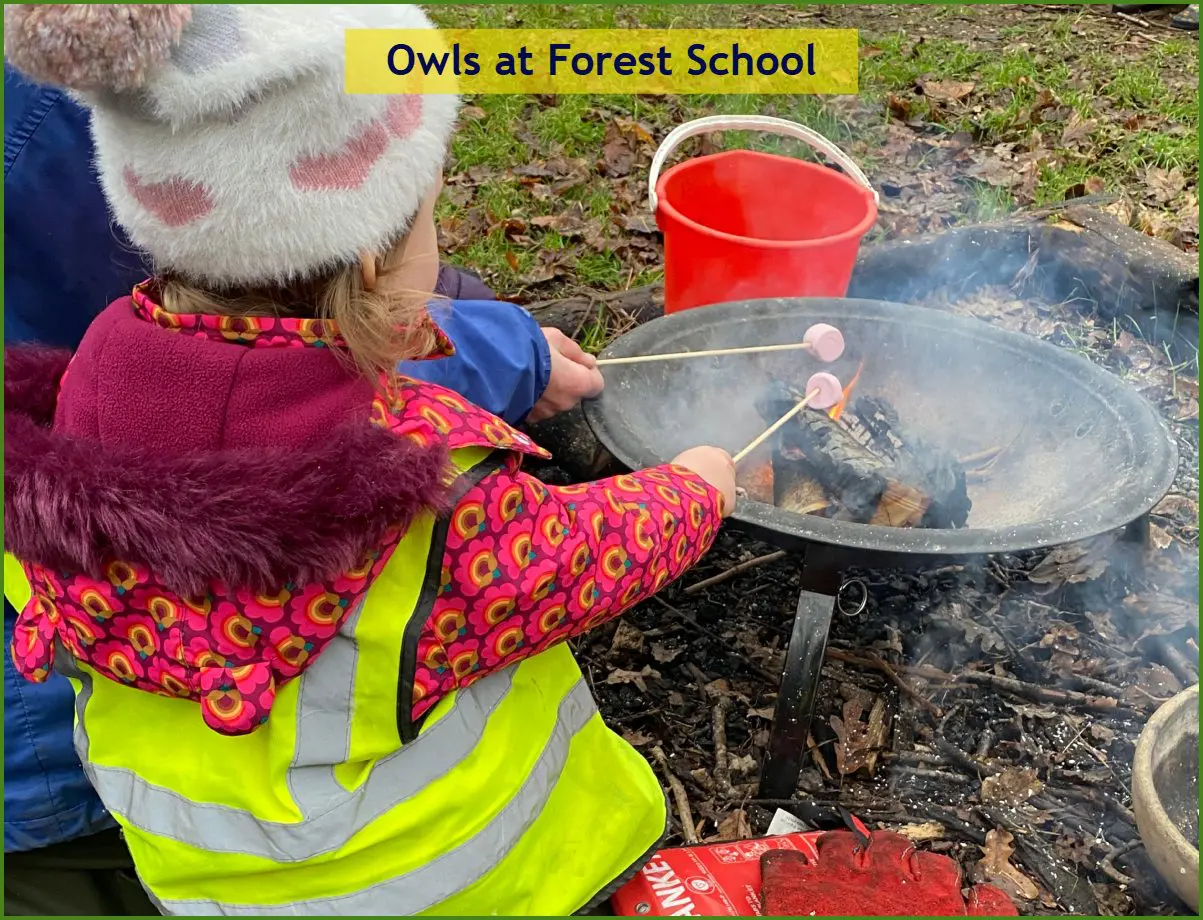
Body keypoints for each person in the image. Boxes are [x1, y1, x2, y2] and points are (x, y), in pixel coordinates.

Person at [3, 4, 737, 917]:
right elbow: (585, 554)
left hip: (213, 888)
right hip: (445, 883)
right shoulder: (427, 495)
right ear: (373, 260)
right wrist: (696, 487)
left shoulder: (66, 422)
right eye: (429, 219)